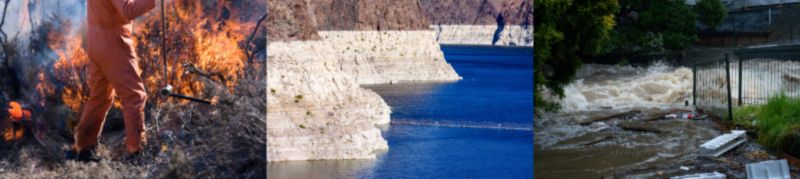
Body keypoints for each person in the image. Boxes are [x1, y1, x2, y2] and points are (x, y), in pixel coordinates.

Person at [66, 0, 156, 162]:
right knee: (134, 96)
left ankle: (82, 148)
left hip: (95, 37)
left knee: (100, 97)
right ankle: (136, 153)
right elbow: (128, 10)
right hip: (113, 40)